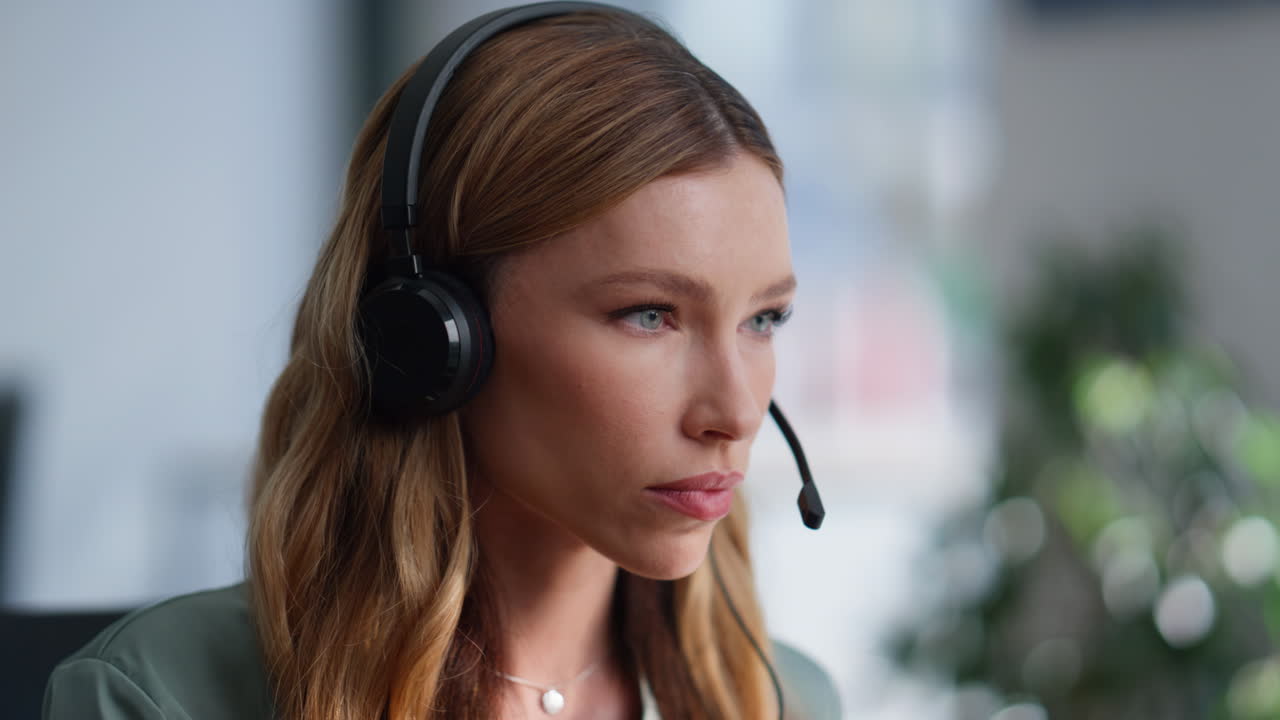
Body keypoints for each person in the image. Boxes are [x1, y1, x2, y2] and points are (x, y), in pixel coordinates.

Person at [43, 3, 841, 718]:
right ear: (433, 336)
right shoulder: (160, 695)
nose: (736, 413)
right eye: (648, 315)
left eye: (764, 318)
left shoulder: (781, 700)